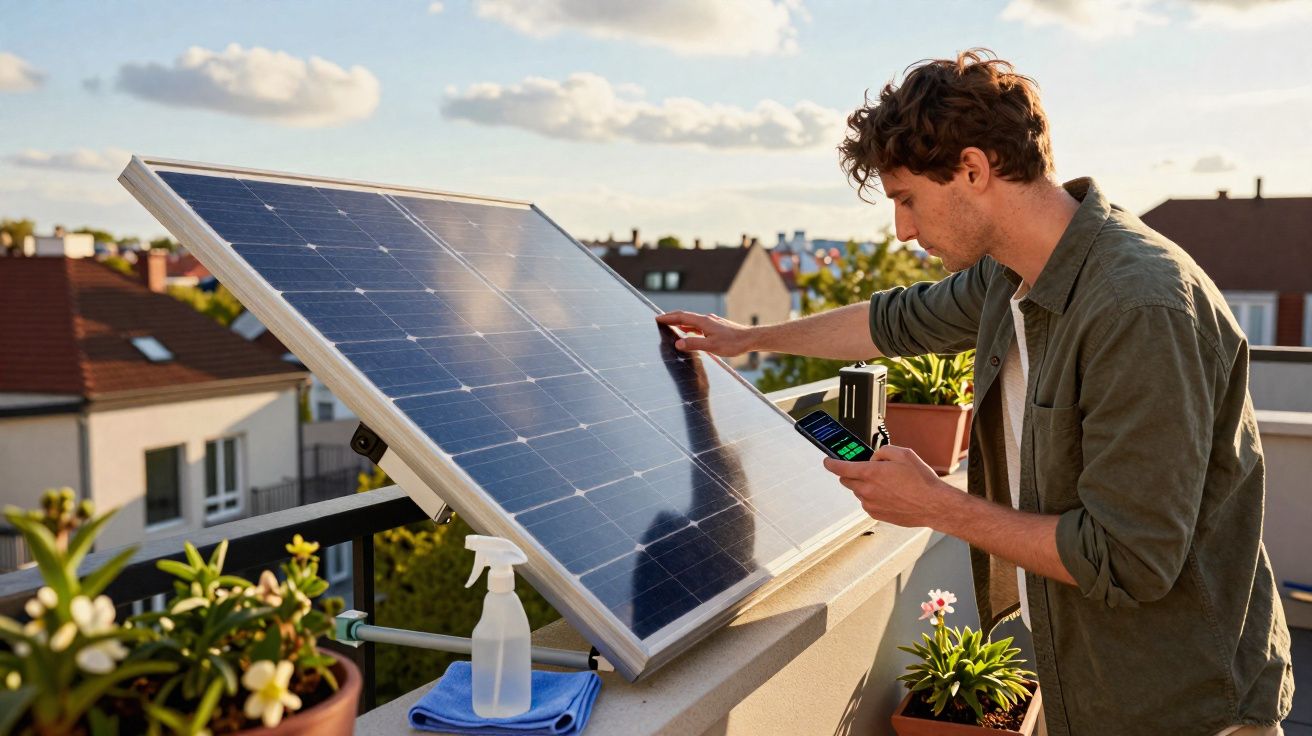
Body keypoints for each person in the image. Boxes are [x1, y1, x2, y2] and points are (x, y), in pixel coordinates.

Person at [655, 49, 1292, 736]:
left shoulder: (1139, 308)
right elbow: (895, 320)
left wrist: (937, 505)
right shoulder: (1009, 275)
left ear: (972, 170)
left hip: (1190, 712)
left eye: (907, 199)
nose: (901, 228)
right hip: (1096, 693)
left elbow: (1128, 556)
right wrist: (749, 339)